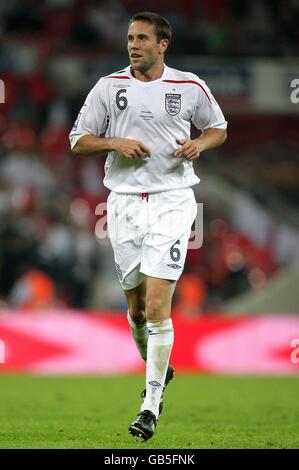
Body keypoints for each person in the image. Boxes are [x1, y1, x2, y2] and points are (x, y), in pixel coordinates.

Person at [69, 11, 227, 441]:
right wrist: (114, 141)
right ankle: (161, 367)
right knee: (137, 312)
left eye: (141, 38)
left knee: (158, 308)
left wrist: (199, 143)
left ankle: (150, 405)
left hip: (173, 204)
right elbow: (77, 139)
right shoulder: (109, 87)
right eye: (129, 38)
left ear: (163, 45)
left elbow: (219, 128)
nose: (132, 45)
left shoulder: (188, 86)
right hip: (121, 206)